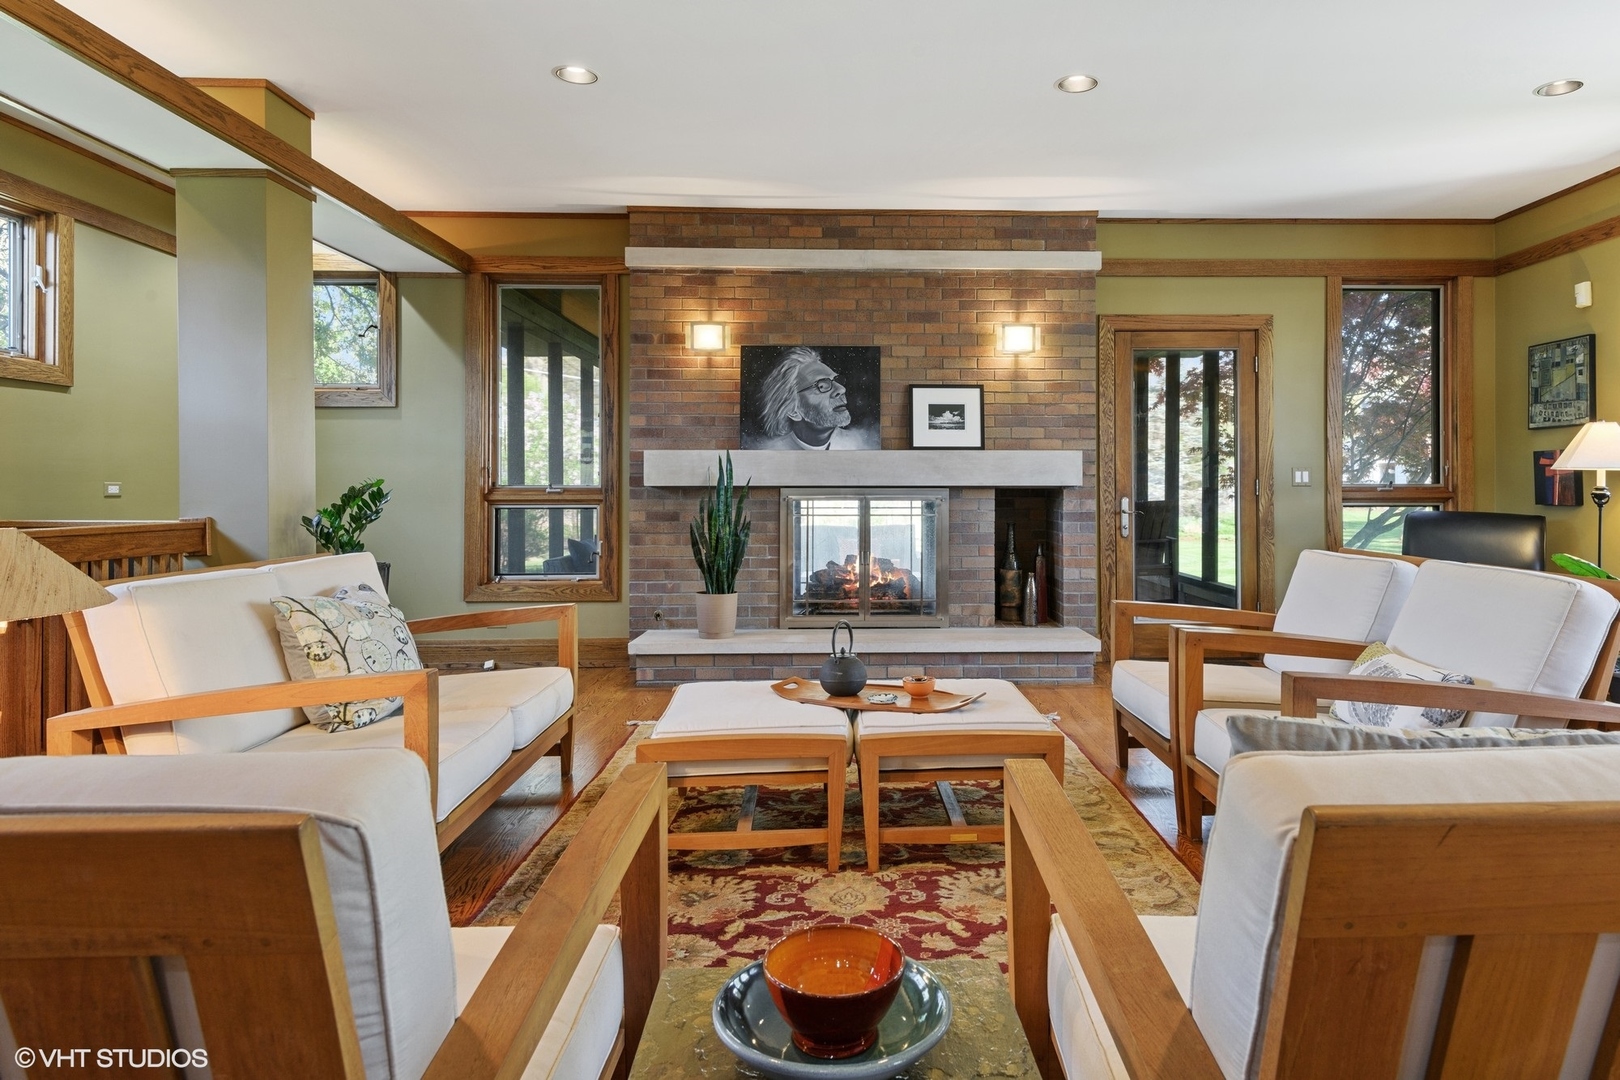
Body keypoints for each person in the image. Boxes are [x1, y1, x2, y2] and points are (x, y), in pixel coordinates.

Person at [748, 346, 878, 450]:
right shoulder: (770, 453)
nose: (841, 389)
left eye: (836, 380)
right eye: (822, 385)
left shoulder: (862, 447)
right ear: (793, 410)